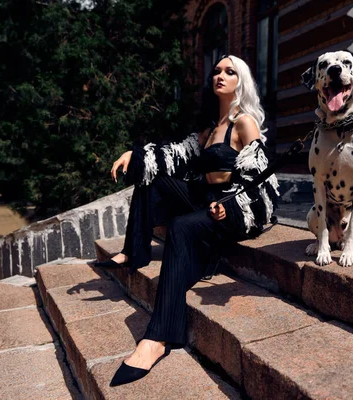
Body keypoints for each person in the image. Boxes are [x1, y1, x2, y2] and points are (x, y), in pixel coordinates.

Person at [96, 55, 280, 387]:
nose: (220, 76)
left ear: (242, 82)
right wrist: (135, 156)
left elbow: (261, 176)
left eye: (230, 72)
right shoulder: (210, 129)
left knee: (181, 228)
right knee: (153, 179)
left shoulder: (244, 122)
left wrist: (232, 203)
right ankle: (135, 252)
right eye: (217, 71)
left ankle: (159, 338)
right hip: (204, 200)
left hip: (231, 208)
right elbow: (170, 155)